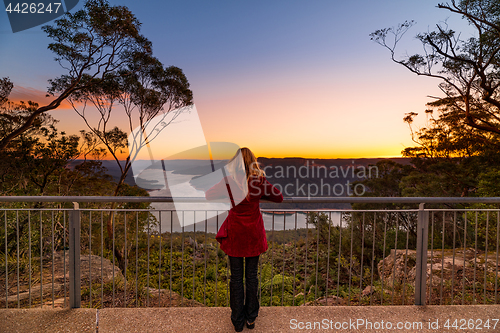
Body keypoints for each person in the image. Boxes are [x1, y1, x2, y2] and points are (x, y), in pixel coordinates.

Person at [205, 147, 283, 332]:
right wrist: (258, 196)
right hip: (253, 236)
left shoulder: (228, 182)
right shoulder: (258, 181)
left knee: (236, 278)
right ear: (253, 162)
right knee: (252, 277)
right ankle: (251, 318)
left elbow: (208, 195)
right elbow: (279, 198)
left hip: (236, 236)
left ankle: (237, 321)